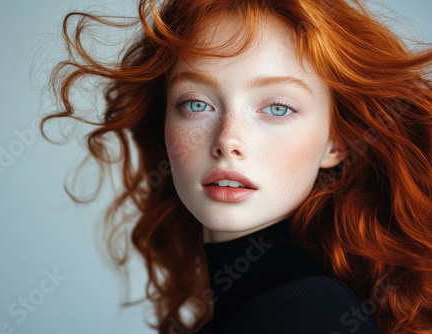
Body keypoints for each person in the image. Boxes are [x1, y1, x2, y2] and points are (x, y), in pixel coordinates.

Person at [40, 0, 432, 333]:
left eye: (277, 108)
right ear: (164, 123)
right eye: (196, 104)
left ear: (337, 143)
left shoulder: (309, 314)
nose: (228, 139)